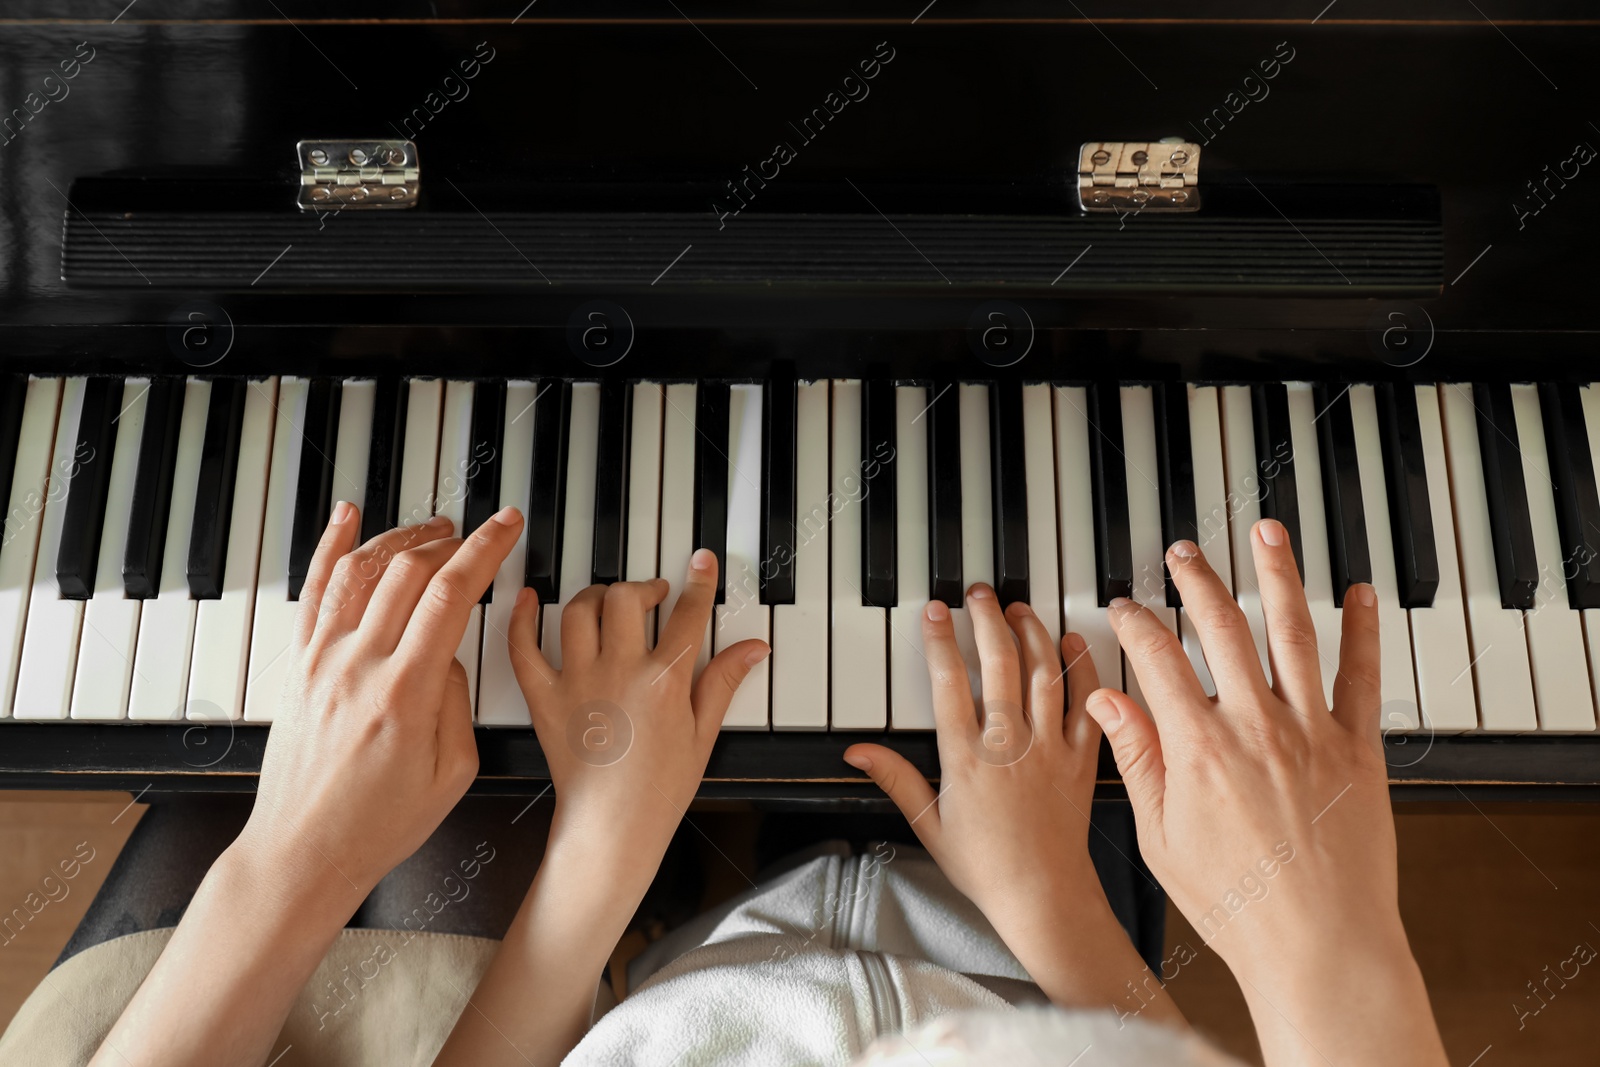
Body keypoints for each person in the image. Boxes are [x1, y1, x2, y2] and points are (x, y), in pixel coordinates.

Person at [0, 502, 1450, 1066]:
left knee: (195, 805)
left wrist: (596, 844)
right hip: (1028, 976)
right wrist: (1065, 903)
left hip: (651, 985)